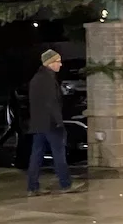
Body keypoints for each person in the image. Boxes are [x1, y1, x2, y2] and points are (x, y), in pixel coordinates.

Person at [27, 49, 83, 197]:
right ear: (50, 63)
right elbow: (51, 103)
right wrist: (59, 123)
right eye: (58, 61)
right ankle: (66, 184)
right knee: (59, 154)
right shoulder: (47, 80)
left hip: (38, 123)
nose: (60, 64)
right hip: (51, 124)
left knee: (36, 155)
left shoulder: (36, 79)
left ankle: (32, 187)